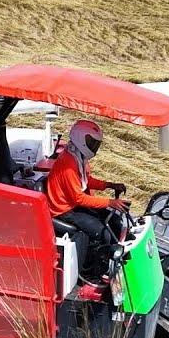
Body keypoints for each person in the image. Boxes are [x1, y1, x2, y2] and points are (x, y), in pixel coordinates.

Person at [45, 120, 128, 281]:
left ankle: (114, 259)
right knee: (101, 233)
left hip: (73, 205)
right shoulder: (68, 164)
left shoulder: (77, 157)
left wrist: (109, 185)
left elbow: (86, 181)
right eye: (91, 142)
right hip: (63, 210)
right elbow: (79, 198)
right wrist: (110, 203)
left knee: (115, 221)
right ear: (80, 139)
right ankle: (89, 273)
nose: (93, 147)